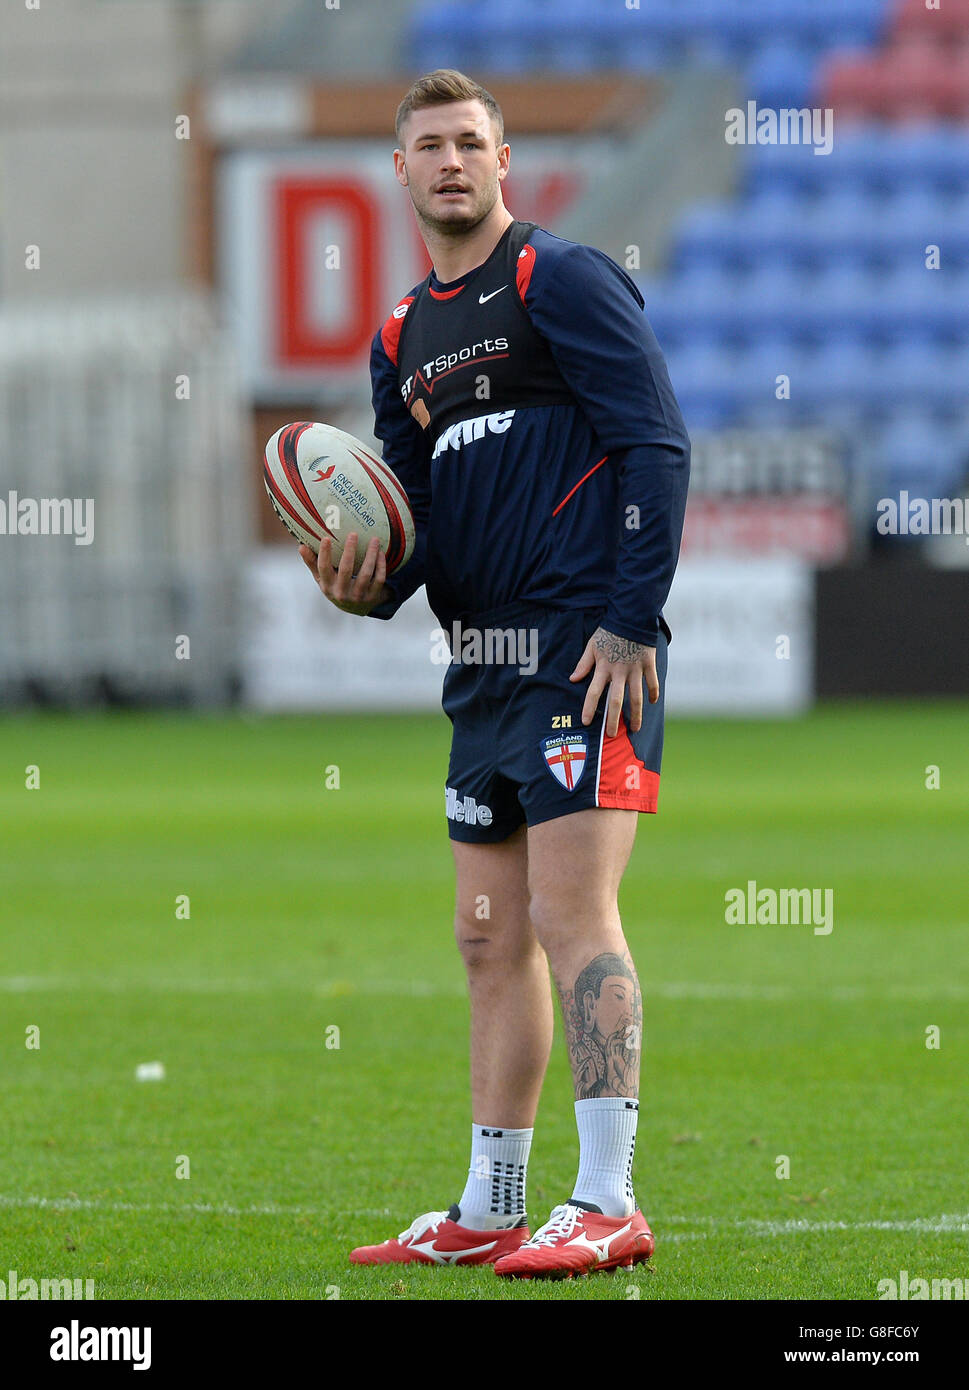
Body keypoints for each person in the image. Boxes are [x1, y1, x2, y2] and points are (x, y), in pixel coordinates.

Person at [300, 68, 690, 1279]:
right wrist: (363, 579)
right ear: (403, 173)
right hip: (481, 667)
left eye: (473, 141)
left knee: (575, 916)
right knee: (486, 938)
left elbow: (655, 443)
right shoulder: (397, 337)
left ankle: (610, 1200)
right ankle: (490, 1203)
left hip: (585, 650)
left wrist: (631, 619)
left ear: (505, 160)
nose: (454, 161)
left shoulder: (557, 279)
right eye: (431, 146)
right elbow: (413, 525)